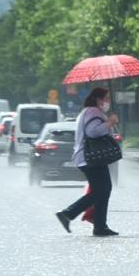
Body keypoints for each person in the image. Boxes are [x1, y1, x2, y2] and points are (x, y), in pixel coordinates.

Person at [55, 87, 119, 237]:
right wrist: (109, 122)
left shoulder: (90, 111)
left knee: (103, 190)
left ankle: (100, 226)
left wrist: (110, 122)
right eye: (107, 98)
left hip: (91, 158)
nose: (108, 101)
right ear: (98, 99)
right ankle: (68, 213)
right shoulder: (92, 111)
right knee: (101, 191)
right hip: (91, 157)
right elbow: (93, 132)